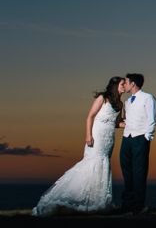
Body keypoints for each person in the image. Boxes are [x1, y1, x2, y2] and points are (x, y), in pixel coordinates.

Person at [32, 76, 126, 216]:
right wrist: (88, 135)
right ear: (115, 85)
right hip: (97, 135)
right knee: (92, 163)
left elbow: (116, 123)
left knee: (103, 164)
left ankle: (96, 201)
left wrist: (131, 124)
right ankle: (72, 197)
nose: (125, 86)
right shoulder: (102, 98)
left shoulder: (120, 104)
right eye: (122, 84)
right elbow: (90, 116)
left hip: (109, 138)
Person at [119, 73, 156, 213]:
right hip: (126, 138)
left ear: (133, 83)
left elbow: (152, 119)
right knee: (126, 169)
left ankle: (138, 206)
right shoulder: (127, 102)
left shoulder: (148, 98)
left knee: (139, 171)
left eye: (127, 82)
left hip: (140, 138)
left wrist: (147, 137)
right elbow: (127, 120)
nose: (125, 85)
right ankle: (127, 204)